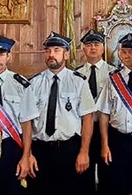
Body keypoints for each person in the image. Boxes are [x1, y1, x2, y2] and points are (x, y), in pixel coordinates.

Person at [28, 32, 95, 195]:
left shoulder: (79, 81)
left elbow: (87, 118)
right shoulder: (33, 83)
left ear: (66, 54)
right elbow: (27, 122)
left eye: (56, 50)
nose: (51, 55)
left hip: (69, 150)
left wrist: (84, 152)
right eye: (48, 50)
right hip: (40, 151)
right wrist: (28, 154)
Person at [0, 35, 39, 195]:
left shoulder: (20, 84)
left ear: (9, 56)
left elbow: (26, 123)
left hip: (12, 147)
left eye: (2, 54)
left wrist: (26, 156)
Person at [96, 33, 132, 194]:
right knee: (117, 184)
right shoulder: (113, 79)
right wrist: (105, 144)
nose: (128, 55)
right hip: (117, 140)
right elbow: (104, 114)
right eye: (125, 52)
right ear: (119, 54)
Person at [74, 30, 115, 195]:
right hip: (84, 130)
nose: (92, 48)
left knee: (109, 174)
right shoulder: (75, 74)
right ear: (83, 49)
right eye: (89, 45)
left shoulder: (114, 73)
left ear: (103, 48)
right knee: (84, 175)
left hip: (108, 130)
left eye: (96, 44)